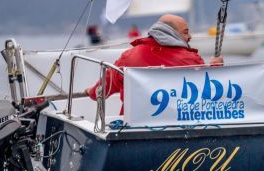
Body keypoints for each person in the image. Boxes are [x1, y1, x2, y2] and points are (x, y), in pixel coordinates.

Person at [86, 14, 223, 110]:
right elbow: (209, 93)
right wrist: (216, 68)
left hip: (132, 129)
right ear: (171, 33)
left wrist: (90, 91)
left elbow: (101, 90)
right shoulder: (191, 60)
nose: (190, 36)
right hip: (180, 125)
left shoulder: (128, 57)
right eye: (186, 32)